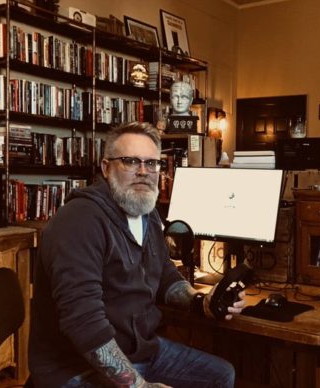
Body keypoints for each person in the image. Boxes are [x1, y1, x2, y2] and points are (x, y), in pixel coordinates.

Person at [29, 122, 245, 388]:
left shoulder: (148, 214)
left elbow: (164, 274)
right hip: (74, 367)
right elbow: (84, 324)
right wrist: (139, 386)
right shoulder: (79, 220)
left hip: (137, 350)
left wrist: (201, 302)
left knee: (221, 375)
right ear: (106, 168)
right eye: (131, 161)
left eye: (152, 163)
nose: (143, 172)